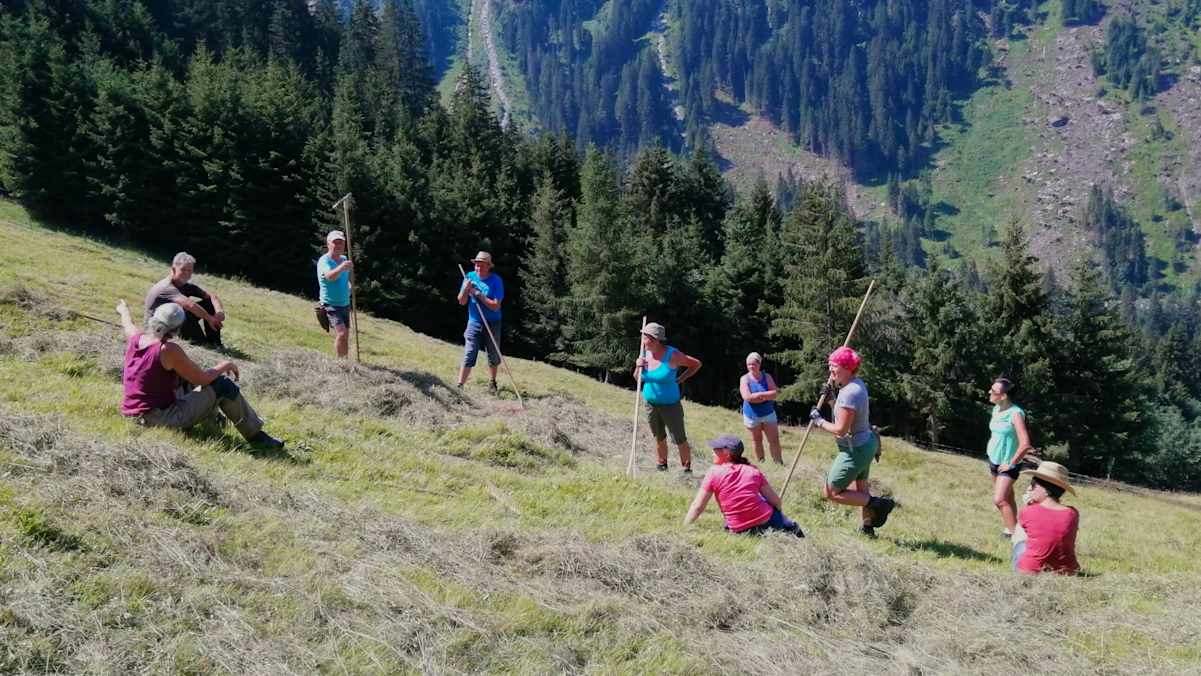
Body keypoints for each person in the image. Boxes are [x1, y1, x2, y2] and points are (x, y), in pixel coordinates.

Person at [117, 299, 284, 448]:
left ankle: (215, 420)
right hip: (158, 419)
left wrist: (123, 309)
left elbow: (128, 324)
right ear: (177, 329)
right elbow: (203, 379)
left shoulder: (136, 338)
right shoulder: (168, 349)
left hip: (134, 415)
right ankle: (256, 436)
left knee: (186, 379)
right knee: (222, 385)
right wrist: (224, 365)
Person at [810, 346, 895, 537]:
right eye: (830, 366)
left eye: (835, 367)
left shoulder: (849, 393)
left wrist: (819, 421)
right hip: (866, 444)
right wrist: (832, 400)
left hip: (854, 450)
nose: (831, 371)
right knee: (861, 488)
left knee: (830, 492)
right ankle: (867, 529)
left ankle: (879, 504)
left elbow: (841, 429)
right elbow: (846, 413)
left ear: (848, 368)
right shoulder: (856, 385)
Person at [684, 435, 804, 536]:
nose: (712, 451)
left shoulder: (713, 473)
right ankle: (789, 526)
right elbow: (776, 501)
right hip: (767, 523)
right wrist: (778, 513)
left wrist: (684, 528)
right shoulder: (753, 470)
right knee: (764, 501)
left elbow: (698, 507)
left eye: (716, 448)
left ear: (726, 452)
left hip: (739, 530)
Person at [634, 322, 702, 473]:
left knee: (679, 438)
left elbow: (696, 364)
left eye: (645, 338)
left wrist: (681, 379)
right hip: (650, 403)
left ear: (656, 340)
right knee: (658, 436)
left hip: (671, 405)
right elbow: (637, 378)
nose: (643, 341)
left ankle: (686, 469)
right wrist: (638, 366)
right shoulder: (644, 353)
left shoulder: (673, 355)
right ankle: (661, 465)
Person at [1012, 461, 1079, 575]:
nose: (1029, 489)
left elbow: (1021, 535)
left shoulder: (1028, 511)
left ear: (1042, 489)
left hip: (1030, 570)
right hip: (1067, 572)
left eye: (1032, 485)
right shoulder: (1073, 513)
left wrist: (1029, 505)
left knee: (1020, 541)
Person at [986, 377, 1033, 539]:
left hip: (1008, 464)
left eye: (994, 391)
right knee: (1008, 496)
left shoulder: (1016, 414)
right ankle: (1009, 527)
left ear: (1004, 396)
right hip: (993, 460)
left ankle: (1017, 538)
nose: (989, 392)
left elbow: (1025, 444)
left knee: (999, 500)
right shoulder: (996, 409)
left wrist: (1011, 464)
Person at [145, 252, 225, 347]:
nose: (186, 274)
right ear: (173, 269)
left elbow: (212, 297)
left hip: (173, 323)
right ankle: (201, 342)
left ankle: (215, 343)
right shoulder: (166, 286)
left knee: (209, 304)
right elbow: (190, 305)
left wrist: (219, 312)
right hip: (158, 328)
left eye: (189, 271)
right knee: (184, 313)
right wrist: (209, 318)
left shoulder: (185, 285)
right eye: (183, 270)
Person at [456, 251, 504, 392]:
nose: (478, 268)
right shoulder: (469, 277)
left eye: (481, 265)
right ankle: (460, 385)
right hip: (474, 322)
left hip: (493, 322)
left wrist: (477, 294)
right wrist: (466, 289)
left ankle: (492, 382)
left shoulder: (496, 281)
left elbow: (496, 306)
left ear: (489, 266)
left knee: (493, 355)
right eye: (476, 265)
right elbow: (461, 301)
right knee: (469, 352)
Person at [740, 352, 782, 464]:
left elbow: (775, 393)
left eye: (753, 364)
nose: (751, 367)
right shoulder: (744, 379)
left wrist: (758, 396)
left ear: (759, 364)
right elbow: (747, 397)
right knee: (756, 440)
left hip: (768, 413)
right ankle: (761, 462)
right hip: (752, 415)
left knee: (774, 440)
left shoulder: (767, 376)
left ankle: (778, 463)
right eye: (749, 364)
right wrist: (764, 396)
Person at [317, 230, 354, 358]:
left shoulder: (344, 259)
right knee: (342, 334)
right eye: (335, 242)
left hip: (345, 304)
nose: (338, 246)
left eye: (341, 243)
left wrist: (350, 287)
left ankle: (345, 360)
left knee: (346, 336)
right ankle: (340, 363)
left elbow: (348, 279)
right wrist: (342, 267)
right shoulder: (324, 261)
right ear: (328, 244)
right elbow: (329, 277)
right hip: (330, 304)